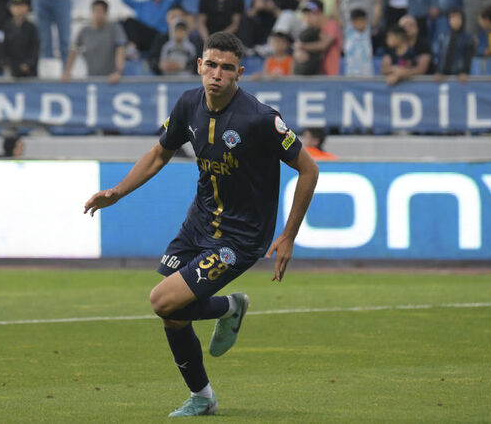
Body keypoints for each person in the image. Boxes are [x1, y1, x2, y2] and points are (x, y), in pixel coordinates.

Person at [83, 31, 318, 417]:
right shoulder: (188, 103)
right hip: (199, 221)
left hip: (241, 237)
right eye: (211, 65)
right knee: (173, 316)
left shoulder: (260, 119)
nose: (217, 74)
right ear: (199, 66)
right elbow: (160, 153)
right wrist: (118, 192)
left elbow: (309, 170)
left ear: (240, 73)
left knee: (162, 300)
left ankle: (229, 307)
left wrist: (288, 235)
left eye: (227, 68)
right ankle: (203, 397)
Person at [62, 0, 126, 84]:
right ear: (91, 12)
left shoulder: (114, 28)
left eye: (101, 12)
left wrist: (118, 72)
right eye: (96, 11)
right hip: (91, 79)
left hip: (111, 80)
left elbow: (120, 49)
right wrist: (67, 71)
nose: (98, 15)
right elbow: (73, 50)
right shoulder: (84, 31)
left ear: (106, 13)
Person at [293, 0, 342, 76]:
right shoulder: (313, 30)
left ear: (319, 13)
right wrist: (298, 51)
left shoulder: (332, 25)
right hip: (318, 75)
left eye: (309, 15)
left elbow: (323, 45)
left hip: (332, 76)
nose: (307, 19)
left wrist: (302, 46)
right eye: (306, 15)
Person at [435, 7, 476, 83]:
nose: (455, 20)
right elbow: (440, 56)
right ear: (449, 20)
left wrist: (464, 72)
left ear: (462, 20)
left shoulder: (469, 39)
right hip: (443, 75)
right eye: (452, 17)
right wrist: (438, 71)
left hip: (460, 75)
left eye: (458, 17)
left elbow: (468, 57)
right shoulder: (443, 37)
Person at [2, 0, 39, 77]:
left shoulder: (32, 28)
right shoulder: (6, 27)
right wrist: (5, 63)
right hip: (11, 71)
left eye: (21, 6)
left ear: (27, 8)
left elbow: (35, 49)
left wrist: (28, 64)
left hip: (29, 73)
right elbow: (2, 48)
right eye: (15, 6)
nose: (18, 9)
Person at [33, 0, 71, 65]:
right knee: (45, 43)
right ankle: (48, 69)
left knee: (65, 41)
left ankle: (66, 69)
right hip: (41, 1)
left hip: (61, 1)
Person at [344, 8, 373, 76]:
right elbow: (338, 19)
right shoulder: (348, 32)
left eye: (363, 20)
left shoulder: (367, 32)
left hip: (367, 74)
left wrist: (378, 4)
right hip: (351, 74)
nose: (362, 23)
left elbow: (377, 18)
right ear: (352, 22)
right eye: (359, 20)